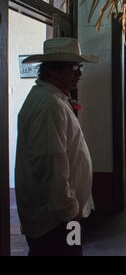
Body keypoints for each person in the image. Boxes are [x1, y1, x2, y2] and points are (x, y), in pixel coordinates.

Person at [15, 37, 98, 256]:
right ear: (52, 71)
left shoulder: (54, 99)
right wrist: (70, 211)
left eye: (79, 66)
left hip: (63, 215)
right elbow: (50, 165)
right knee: (66, 252)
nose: (79, 72)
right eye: (74, 67)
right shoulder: (48, 105)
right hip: (57, 220)